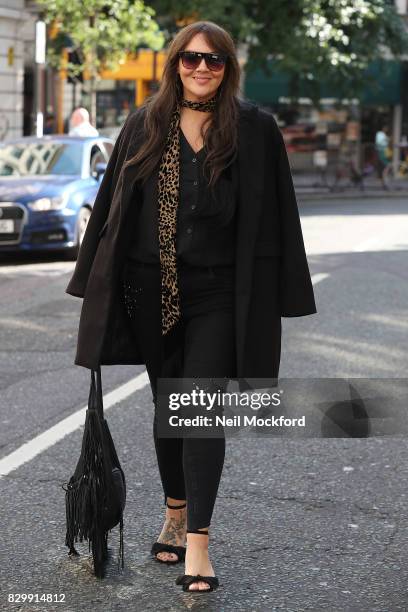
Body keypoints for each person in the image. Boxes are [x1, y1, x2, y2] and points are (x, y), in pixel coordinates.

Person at [65, 20, 317, 593]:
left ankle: (198, 542)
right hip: (149, 288)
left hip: (220, 294)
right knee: (167, 406)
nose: (202, 68)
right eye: (191, 59)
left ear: (228, 69)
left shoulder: (254, 129)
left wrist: (287, 293)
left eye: (215, 61)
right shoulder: (145, 123)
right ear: (175, 63)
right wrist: (93, 284)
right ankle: (174, 513)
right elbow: (112, 208)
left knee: (199, 407)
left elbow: (280, 214)